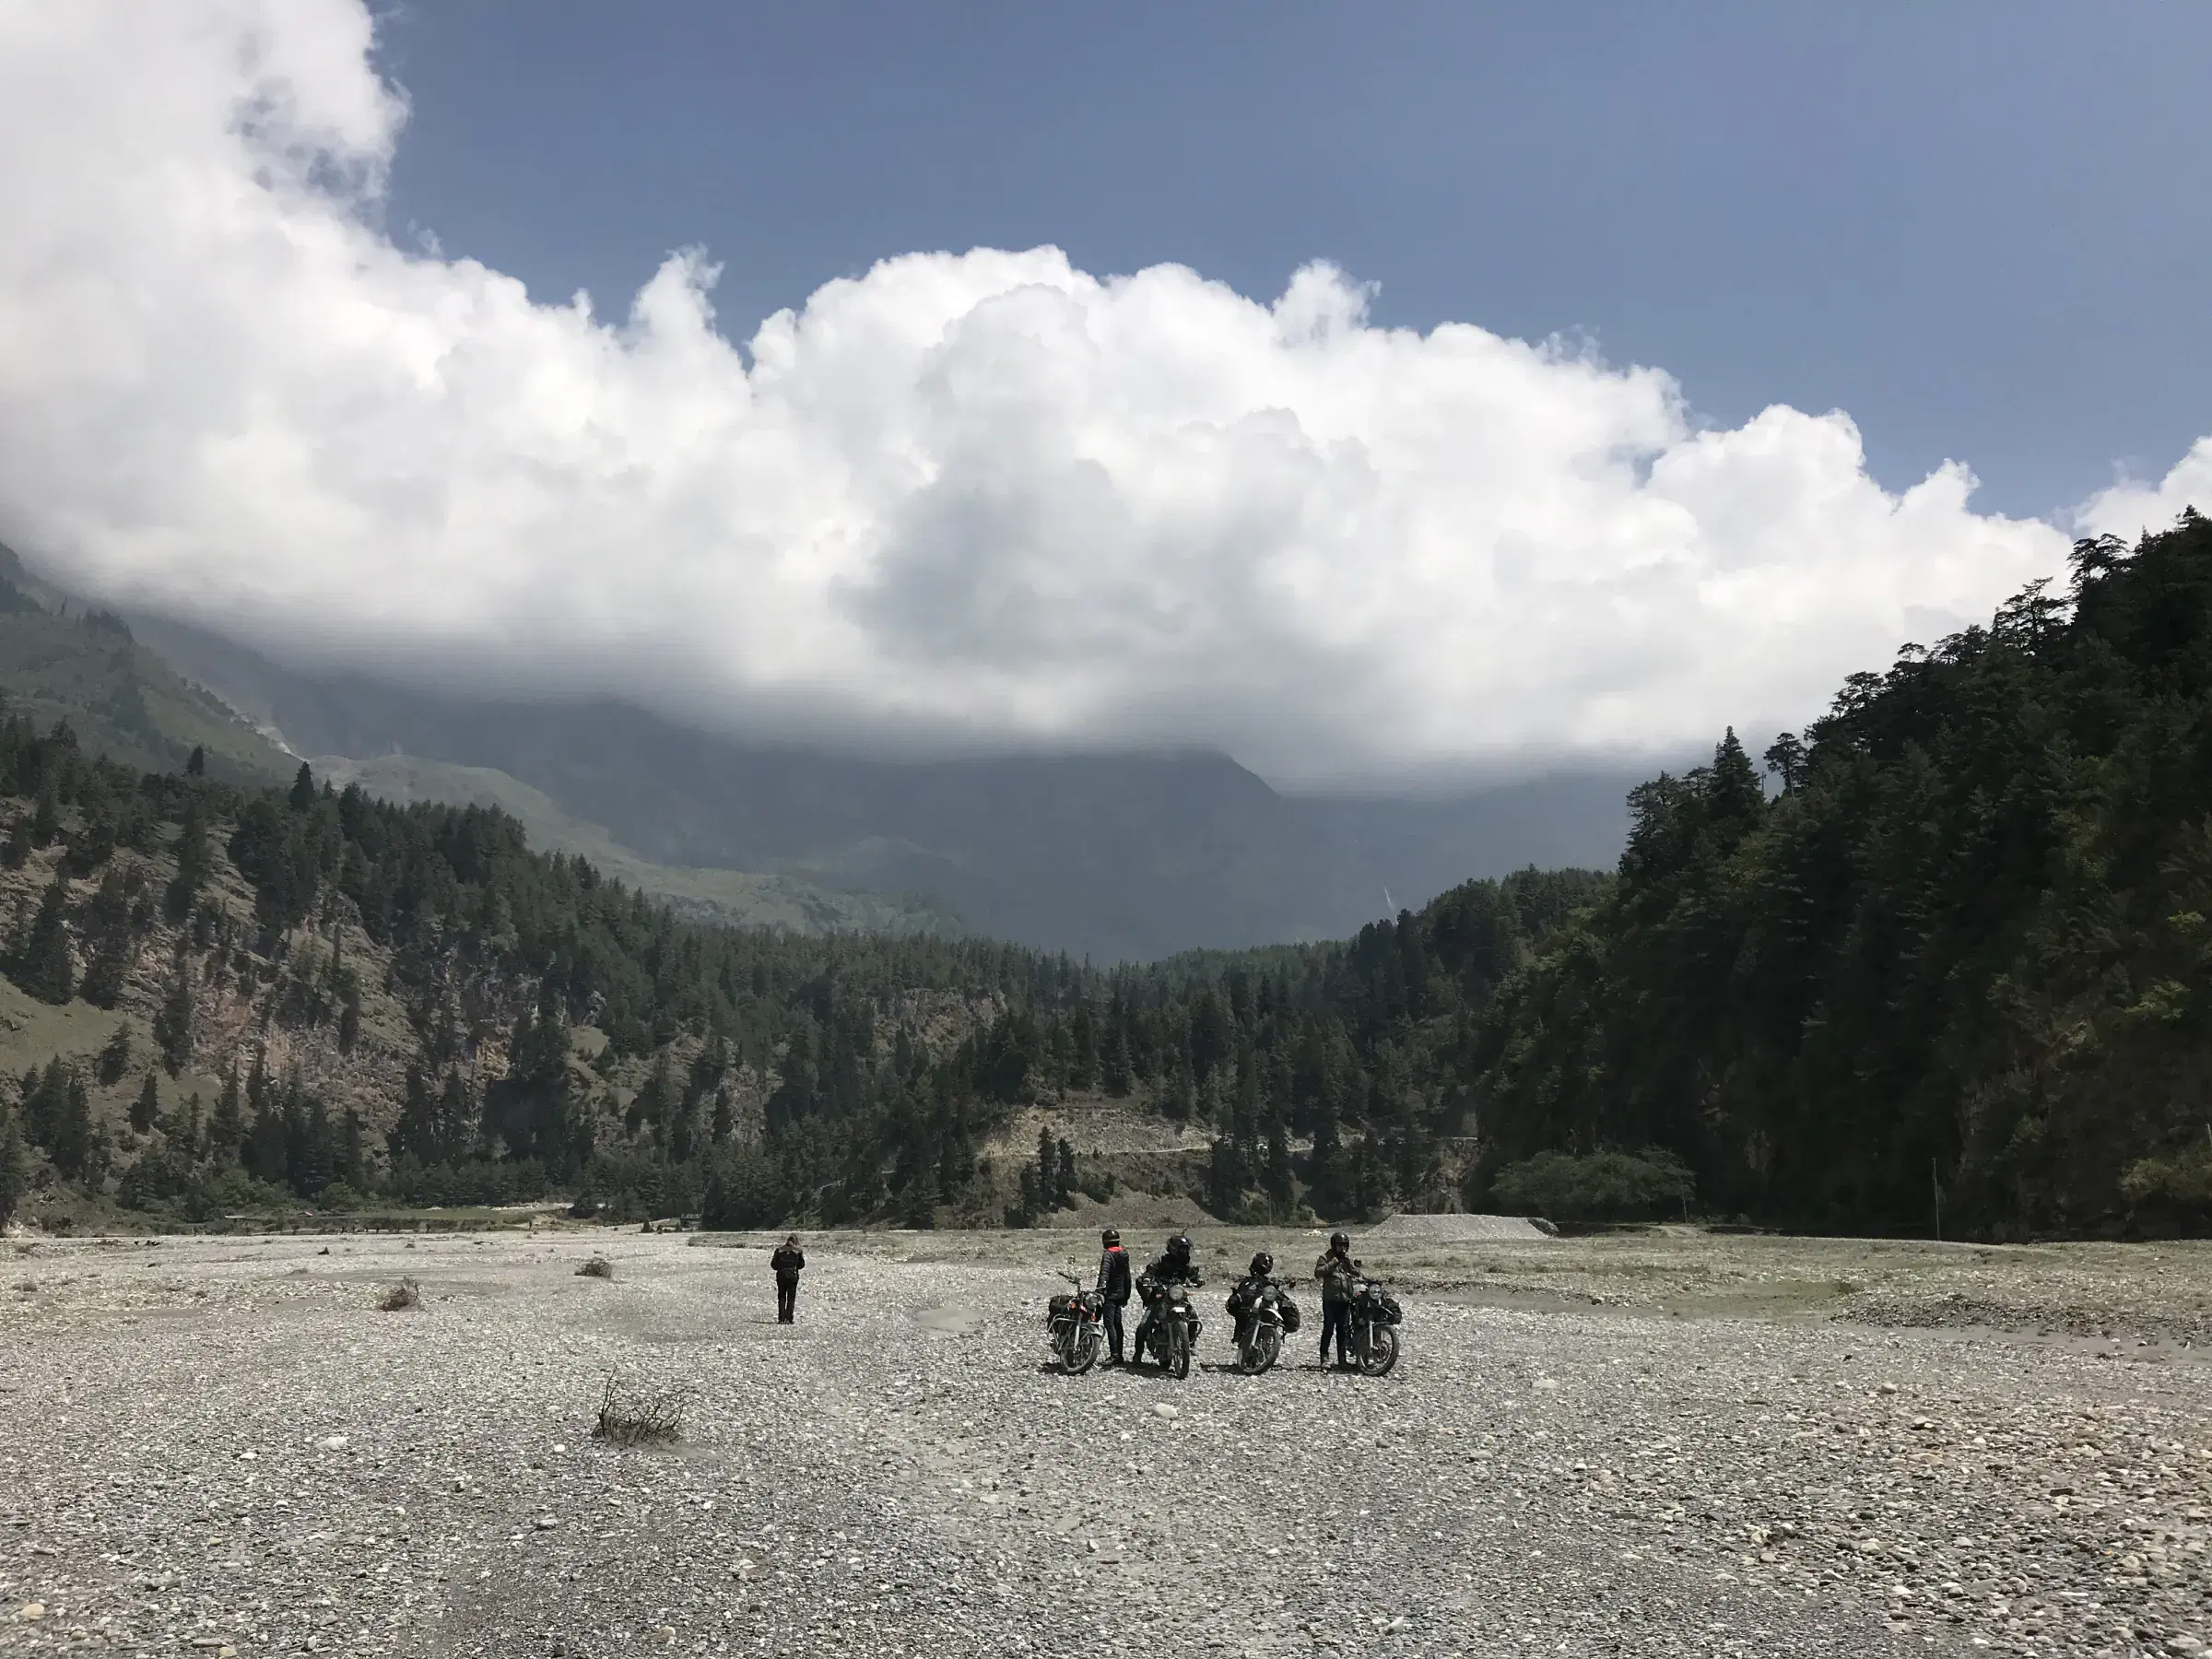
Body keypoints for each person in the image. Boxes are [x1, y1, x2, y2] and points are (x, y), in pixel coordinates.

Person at [1131, 1232, 1202, 1366]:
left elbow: (1193, 1275)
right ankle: (1137, 1354)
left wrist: (1198, 1280)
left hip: (1178, 1295)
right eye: (1182, 1249)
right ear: (1174, 1249)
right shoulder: (1161, 1260)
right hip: (1161, 1294)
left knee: (1193, 1316)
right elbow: (1150, 1271)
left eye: (1186, 1249)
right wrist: (1147, 1278)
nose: (1185, 1252)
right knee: (1144, 1325)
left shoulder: (1186, 1264)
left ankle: (1191, 1344)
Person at [1314, 1231, 1358, 1369]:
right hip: (1330, 1300)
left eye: (1345, 1246)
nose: (1343, 1249)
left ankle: (1342, 1360)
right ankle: (1324, 1358)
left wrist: (1359, 1272)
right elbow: (1318, 1273)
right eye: (1340, 1246)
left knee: (1343, 1330)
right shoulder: (1325, 1257)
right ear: (1334, 1245)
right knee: (1328, 1329)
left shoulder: (1346, 1260)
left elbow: (1354, 1271)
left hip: (1345, 1301)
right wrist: (1332, 1263)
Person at [1095, 1227, 1133, 1365]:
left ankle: (1114, 1355)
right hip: (1121, 1293)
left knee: (1109, 1324)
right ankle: (1120, 1355)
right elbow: (1127, 1276)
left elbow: (1104, 1273)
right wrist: (1127, 1295)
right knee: (1118, 1324)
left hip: (1110, 1295)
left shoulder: (1108, 1255)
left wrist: (1100, 1290)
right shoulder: (1124, 1253)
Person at [1227, 1250, 1276, 1350]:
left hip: (1263, 1309)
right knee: (1242, 1314)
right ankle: (1237, 1339)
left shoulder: (1266, 1282)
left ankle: (1269, 1339)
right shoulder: (1249, 1282)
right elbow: (1242, 1294)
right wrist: (1237, 1297)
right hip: (1250, 1310)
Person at [770, 1233, 805, 1324]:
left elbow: (773, 1265)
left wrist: (781, 1268)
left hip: (781, 1275)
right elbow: (802, 1265)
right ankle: (789, 1318)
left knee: (781, 1297)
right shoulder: (798, 1251)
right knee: (791, 1298)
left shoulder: (779, 1250)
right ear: (795, 1241)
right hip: (793, 1276)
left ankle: (781, 1319)